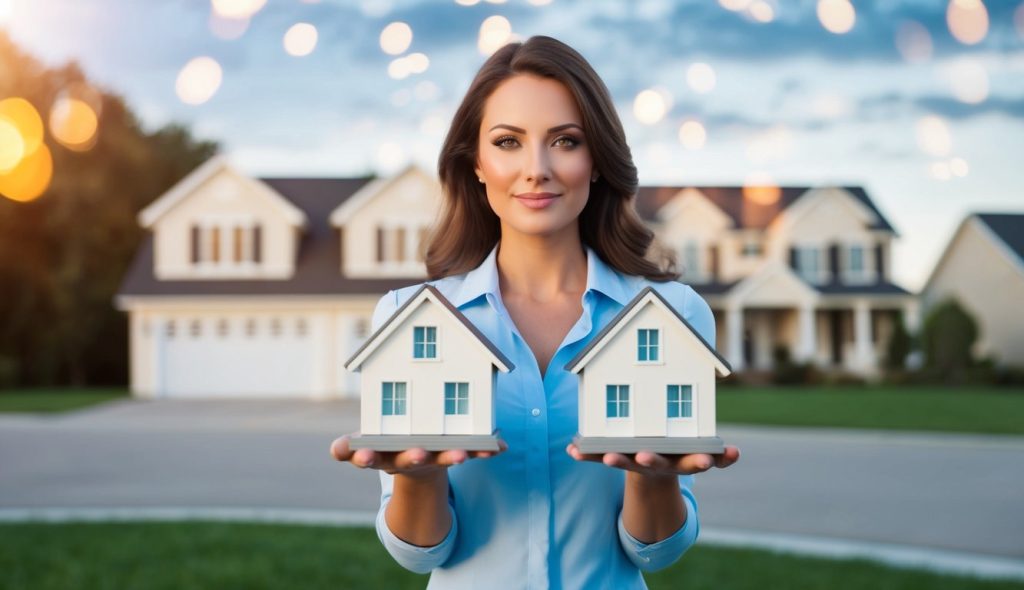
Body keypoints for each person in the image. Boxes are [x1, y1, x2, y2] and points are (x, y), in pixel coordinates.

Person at [331, 35, 739, 589]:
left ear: (596, 160)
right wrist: (418, 479)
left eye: (566, 141)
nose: (537, 168)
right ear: (475, 163)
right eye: (508, 142)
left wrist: (652, 480)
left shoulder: (671, 315)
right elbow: (423, 556)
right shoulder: (410, 318)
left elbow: (655, 555)